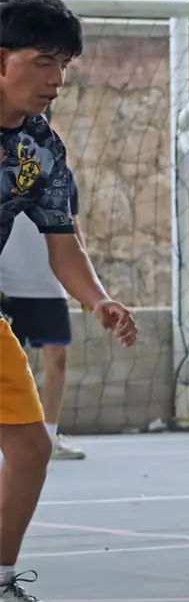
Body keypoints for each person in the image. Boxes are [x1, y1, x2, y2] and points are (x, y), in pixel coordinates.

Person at [0, 0, 138, 602]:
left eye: (64, 66)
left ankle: (0, 587)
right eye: (42, 63)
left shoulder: (40, 149)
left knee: (31, 447)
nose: (56, 80)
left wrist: (98, 299)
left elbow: (63, 241)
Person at [0, 146, 86, 460]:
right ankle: (11, 436)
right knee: (8, 365)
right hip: (7, 285)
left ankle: (50, 435)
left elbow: (74, 230)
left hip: (49, 282)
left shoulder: (61, 174)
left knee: (58, 358)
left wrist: (88, 286)